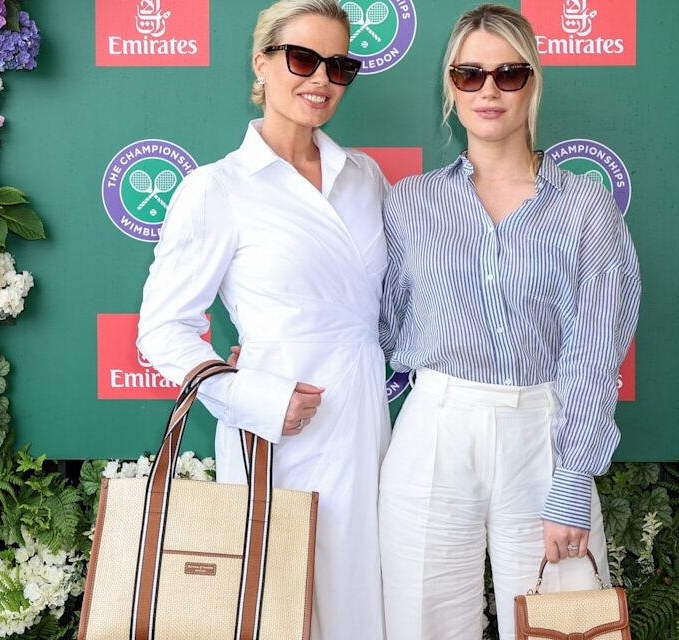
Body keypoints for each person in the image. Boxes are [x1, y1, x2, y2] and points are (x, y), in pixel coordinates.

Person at [376, 5, 641, 639]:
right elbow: (380, 322)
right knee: (420, 627)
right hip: (434, 429)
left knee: (564, 624)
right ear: (451, 86)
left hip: (544, 433)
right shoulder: (411, 203)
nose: (488, 90)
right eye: (469, 74)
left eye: (508, 73)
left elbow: (595, 349)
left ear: (532, 82)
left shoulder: (584, 205)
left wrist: (572, 478)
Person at [136, 1, 389, 637]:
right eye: (303, 58)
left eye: (339, 65)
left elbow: (386, 306)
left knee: (360, 601)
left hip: (366, 421)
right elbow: (162, 329)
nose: (321, 79)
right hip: (276, 430)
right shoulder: (217, 187)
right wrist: (248, 394)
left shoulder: (365, 177)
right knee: (276, 606)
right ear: (262, 63)